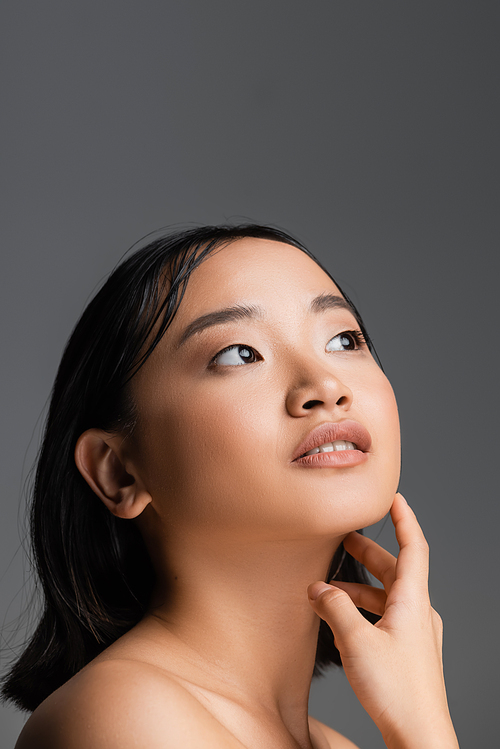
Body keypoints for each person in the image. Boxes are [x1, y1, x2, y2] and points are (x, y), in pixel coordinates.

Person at [3, 225, 458, 748]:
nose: (326, 387)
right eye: (240, 353)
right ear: (119, 471)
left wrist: (420, 720)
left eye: (343, 340)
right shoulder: (121, 717)